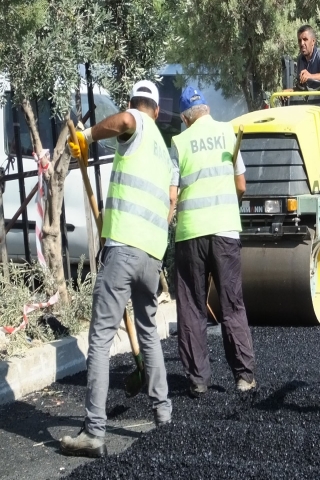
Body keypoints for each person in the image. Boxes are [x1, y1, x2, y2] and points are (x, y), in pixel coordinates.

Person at [61, 80, 175, 457]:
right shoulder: (162, 147)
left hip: (124, 246)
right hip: (152, 255)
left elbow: (126, 120)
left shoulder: (137, 123)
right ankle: (163, 415)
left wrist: (88, 135)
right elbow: (171, 199)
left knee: (100, 338)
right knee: (148, 335)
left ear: (138, 105)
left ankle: (94, 432)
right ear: (157, 109)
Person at [171, 86, 256, 398]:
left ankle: (198, 380)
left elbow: (172, 193)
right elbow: (241, 185)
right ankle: (244, 377)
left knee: (192, 305)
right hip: (225, 232)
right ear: (205, 108)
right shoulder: (229, 133)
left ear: (185, 117)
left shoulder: (179, 142)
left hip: (190, 234)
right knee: (232, 303)